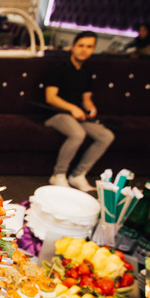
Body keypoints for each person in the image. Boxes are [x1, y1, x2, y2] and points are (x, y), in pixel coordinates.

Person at [43, 31, 114, 191]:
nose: (84, 50)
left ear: (93, 49)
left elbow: (86, 98)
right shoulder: (59, 69)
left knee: (106, 136)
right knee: (78, 134)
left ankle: (78, 174)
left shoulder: (87, 72)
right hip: (56, 113)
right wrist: (72, 108)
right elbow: (51, 98)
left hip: (78, 115)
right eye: (81, 46)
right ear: (73, 47)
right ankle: (58, 174)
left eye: (89, 47)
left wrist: (90, 108)